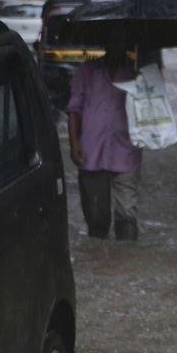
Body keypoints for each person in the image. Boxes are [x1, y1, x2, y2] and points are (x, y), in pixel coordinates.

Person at [67, 36, 142, 240]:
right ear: (105, 43)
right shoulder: (87, 71)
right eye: (112, 38)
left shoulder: (138, 73)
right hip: (92, 152)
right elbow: (74, 109)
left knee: (127, 218)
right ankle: (100, 260)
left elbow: (152, 112)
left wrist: (143, 83)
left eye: (120, 38)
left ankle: (125, 265)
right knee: (97, 220)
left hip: (127, 151)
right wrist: (74, 144)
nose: (116, 44)